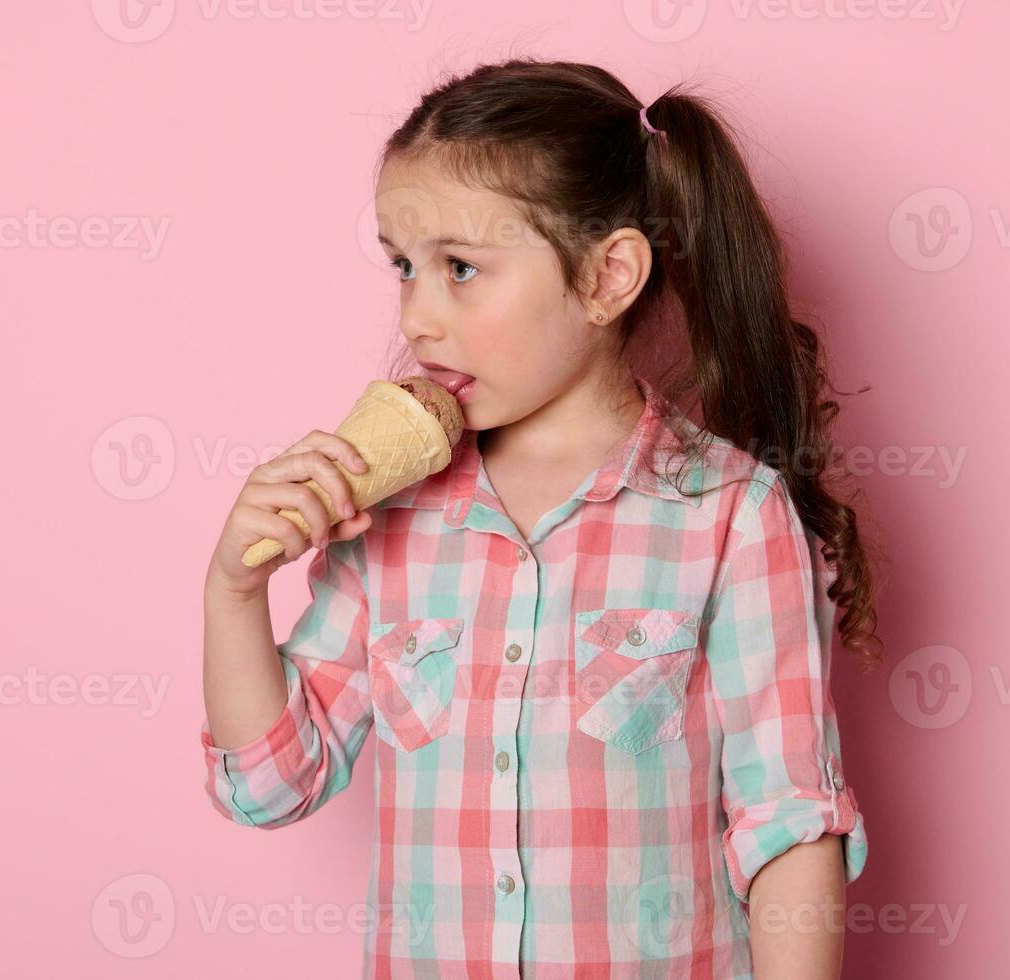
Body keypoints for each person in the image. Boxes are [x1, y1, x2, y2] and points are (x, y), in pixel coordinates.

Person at [200, 58, 884, 980]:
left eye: (461, 268)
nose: (418, 316)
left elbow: (788, 821)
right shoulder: (387, 515)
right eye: (404, 267)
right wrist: (234, 591)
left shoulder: (730, 517)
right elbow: (273, 787)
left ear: (607, 277)